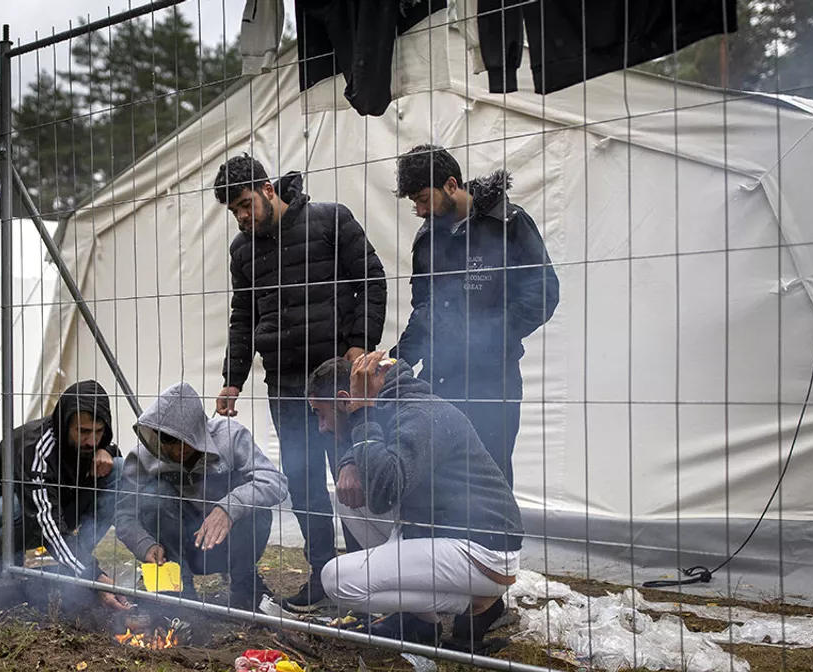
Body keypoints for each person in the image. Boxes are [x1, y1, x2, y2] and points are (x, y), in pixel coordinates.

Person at [213, 154, 388, 611]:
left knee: (353, 476)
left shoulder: (331, 220)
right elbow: (243, 318)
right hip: (286, 385)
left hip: (337, 381)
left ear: (268, 189)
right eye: (234, 212)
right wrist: (233, 378)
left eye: (245, 204)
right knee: (304, 482)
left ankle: (368, 574)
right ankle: (325, 576)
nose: (242, 217)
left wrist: (359, 345)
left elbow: (371, 278)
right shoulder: (242, 251)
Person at [308, 352, 523, 653]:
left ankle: (476, 604)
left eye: (321, 413)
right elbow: (375, 463)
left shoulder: (417, 412)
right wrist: (348, 461)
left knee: (336, 579)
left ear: (347, 400)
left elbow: (384, 490)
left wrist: (362, 416)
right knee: (349, 498)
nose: (321, 427)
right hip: (441, 530)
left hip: (484, 551)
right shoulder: (389, 406)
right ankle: (419, 623)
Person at [391, 144, 559, 487]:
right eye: (415, 204)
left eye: (424, 198)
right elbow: (423, 310)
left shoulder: (507, 223)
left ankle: (496, 543)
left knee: (490, 479)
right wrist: (398, 364)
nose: (421, 210)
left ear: (451, 185)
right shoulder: (427, 240)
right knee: (444, 481)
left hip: (493, 380)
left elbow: (544, 291)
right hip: (438, 381)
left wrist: (488, 335)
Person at [114, 382, 288, 612]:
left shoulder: (231, 437)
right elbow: (124, 515)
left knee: (256, 507)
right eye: (168, 441)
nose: (177, 451)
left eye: (183, 440)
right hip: (179, 550)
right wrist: (145, 545)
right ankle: (180, 592)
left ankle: (245, 587)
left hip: (226, 545)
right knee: (156, 497)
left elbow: (275, 482)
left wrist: (229, 507)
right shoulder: (142, 458)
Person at [0, 380, 127, 610]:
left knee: (117, 468)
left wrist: (107, 451)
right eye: (82, 432)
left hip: (50, 510)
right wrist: (94, 576)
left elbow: (108, 458)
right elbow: (46, 522)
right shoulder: (35, 449)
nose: (91, 441)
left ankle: (73, 564)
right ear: (65, 424)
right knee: (17, 504)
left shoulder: (93, 445)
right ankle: (7, 575)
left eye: (98, 432)